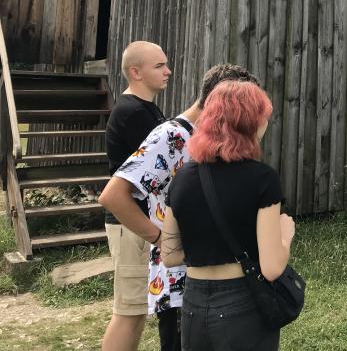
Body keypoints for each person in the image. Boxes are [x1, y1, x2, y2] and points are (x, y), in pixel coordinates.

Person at [99, 64, 259, 351]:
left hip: (208, 280)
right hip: (176, 283)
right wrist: (161, 239)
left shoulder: (210, 139)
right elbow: (113, 196)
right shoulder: (170, 136)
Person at [161, 81, 294, 351]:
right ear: (251, 124)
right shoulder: (263, 179)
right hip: (241, 302)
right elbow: (271, 268)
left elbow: (170, 255)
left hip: (194, 303)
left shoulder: (183, 177)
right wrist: (285, 235)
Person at [102, 41, 171, 351]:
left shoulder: (147, 109)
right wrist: (154, 234)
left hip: (141, 222)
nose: (168, 70)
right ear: (135, 72)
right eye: (159, 66)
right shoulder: (131, 113)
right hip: (132, 222)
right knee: (129, 312)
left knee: (138, 310)